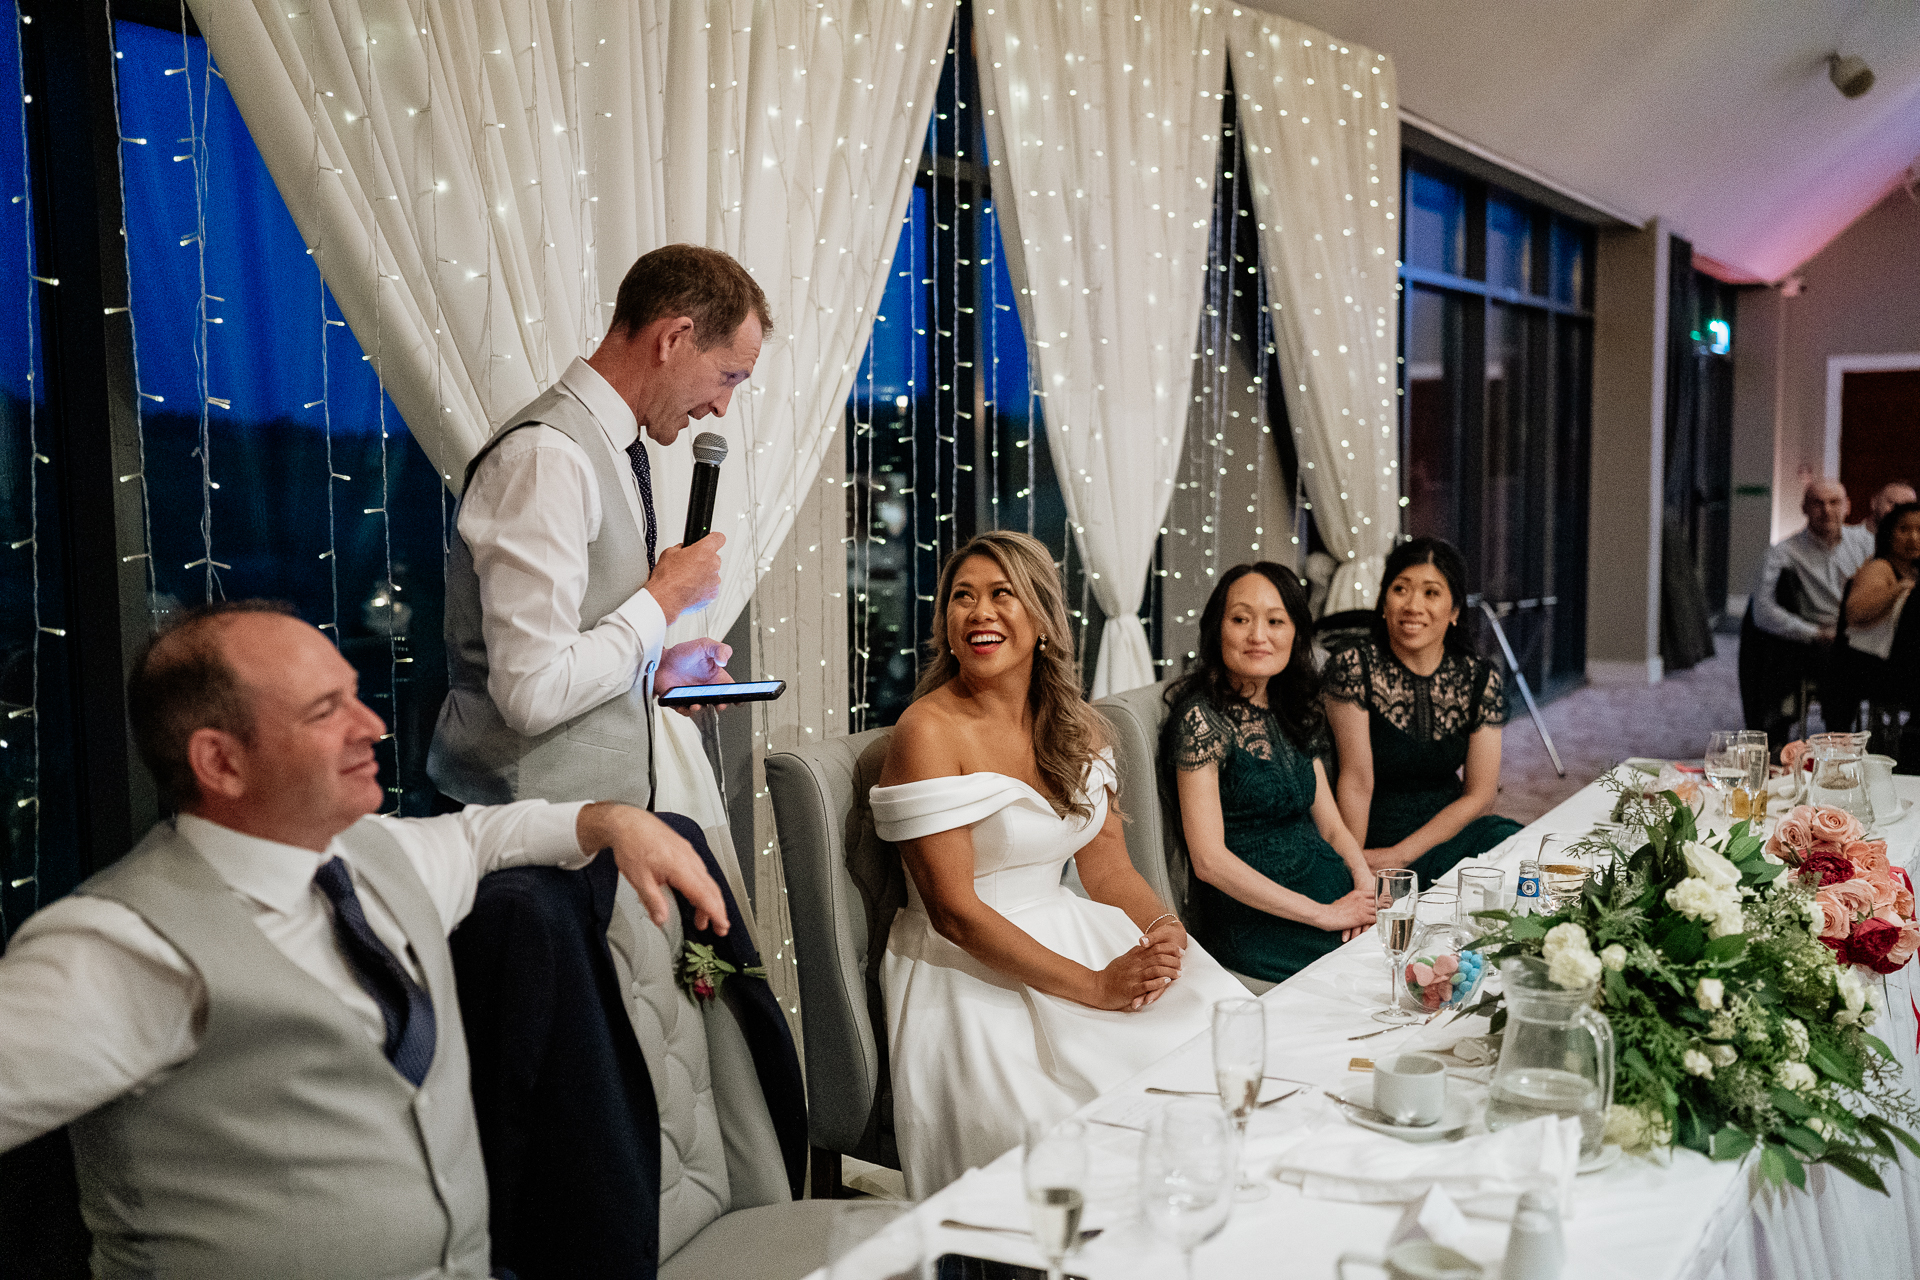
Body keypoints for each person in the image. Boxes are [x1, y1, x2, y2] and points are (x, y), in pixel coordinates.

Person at [0, 602, 727, 1278]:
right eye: (326, 711)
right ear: (219, 762)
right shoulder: (122, 947)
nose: (371, 725)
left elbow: (480, 836)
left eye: (354, 694)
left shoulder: (373, 858)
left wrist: (610, 820)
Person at [871, 532, 1247, 1196]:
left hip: (1071, 924)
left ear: (1042, 618)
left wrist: (1163, 930)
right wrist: (1096, 986)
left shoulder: (1078, 727)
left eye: (1001, 594)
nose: (979, 612)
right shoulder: (928, 732)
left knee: (1219, 1044)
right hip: (967, 967)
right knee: (1080, 1130)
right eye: (962, 598)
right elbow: (955, 913)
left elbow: (1108, 873)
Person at [430, 243, 768, 809]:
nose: (722, 407)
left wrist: (653, 669)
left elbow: (574, 640)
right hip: (538, 846)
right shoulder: (547, 457)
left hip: (602, 830)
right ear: (673, 339)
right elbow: (531, 694)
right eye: (727, 376)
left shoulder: (612, 449)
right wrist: (661, 601)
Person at [1164, 563, 1377, 984]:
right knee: (1375, 980)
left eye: (1275, 621)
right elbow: (1209, 861)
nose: (1259, 635)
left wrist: (1364, 889)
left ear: (1295, 631)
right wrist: (1325, 915)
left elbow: (1333, 829)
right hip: (1257, 922)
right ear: (1216, 630)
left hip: (1332, 900)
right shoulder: (1201, 720)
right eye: (1241, 619)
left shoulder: (1291, 707)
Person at [1324, 537, 1523, 886]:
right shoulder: (1354, 668)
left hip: (1446, 833)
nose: (1413, 605)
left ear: (1455, 611)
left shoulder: (1478, 678)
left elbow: (1480, 795)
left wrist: (1402, 854)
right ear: (1383, 602)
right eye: (1401, 589)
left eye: (1431, 593)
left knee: (1515, 846)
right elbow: (1356, 782)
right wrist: (1353, 870)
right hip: (1373, 838)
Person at [1746, 478, 1875, 747]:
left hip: (1867, 632)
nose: (1826, 510)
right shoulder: (1783, 553)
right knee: (1839, 664)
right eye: (1817, 503)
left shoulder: (1866, 546)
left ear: (1848, 507)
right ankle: (1837, 740)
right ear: (1804, 508)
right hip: (1818, 642)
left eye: (1834, 502)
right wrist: (1815, 633)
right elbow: (1762, 612)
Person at [1840, 501, 1920, 750]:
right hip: (1873, 670)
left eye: (1919, 530)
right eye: (1904, 530)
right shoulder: (1880, 568)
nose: (1914, 538)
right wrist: (1898, 590)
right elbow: (1854, 613)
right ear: (1888, 534)